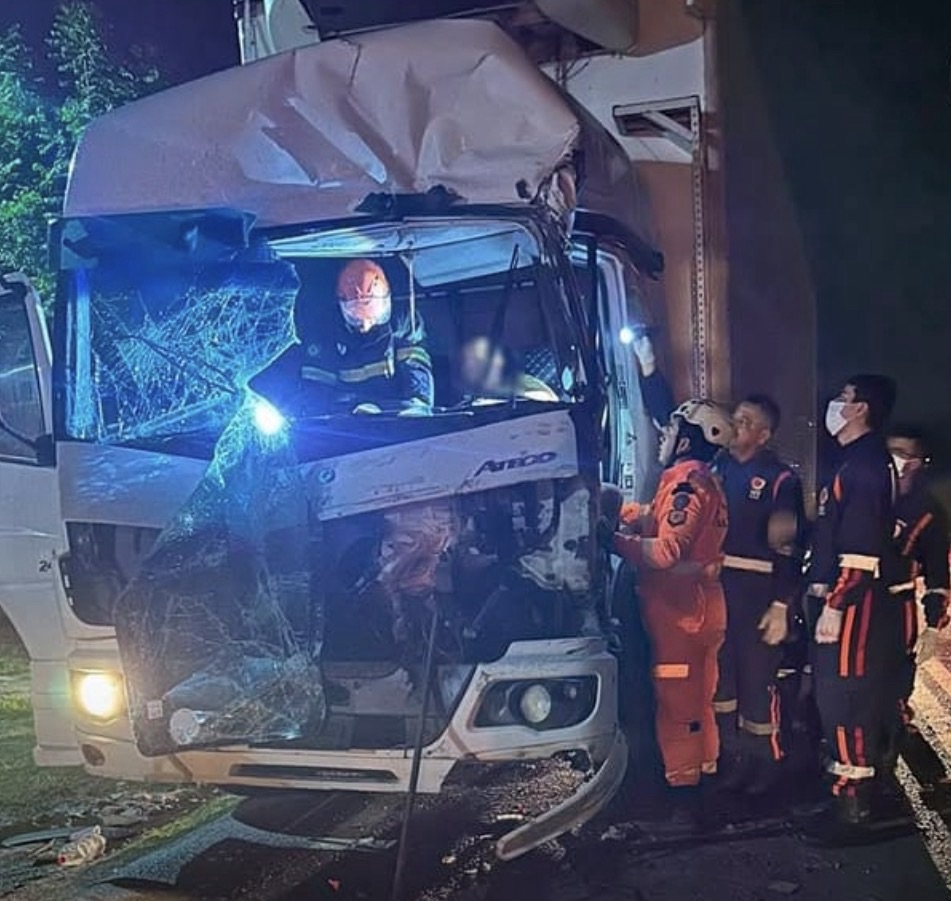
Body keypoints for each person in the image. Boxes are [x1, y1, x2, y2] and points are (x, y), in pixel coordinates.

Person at [598, 399, 733, 790]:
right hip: (694, 607)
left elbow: (666, 551)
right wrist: (626, 514)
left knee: (678, 705)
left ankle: (683, 790)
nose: (664, 435)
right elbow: (660, 520)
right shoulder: (696, 479)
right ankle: (703, 775)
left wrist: (611, 541)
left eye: (672, 429)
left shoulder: (687, 483)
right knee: (695, 703)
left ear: (688, 441)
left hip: (681, 613)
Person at [804, 374, 898, 840]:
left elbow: (861, 550)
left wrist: (836, 603)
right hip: (844, 599)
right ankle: (845, 793)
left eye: (843, 398)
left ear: (861, 409)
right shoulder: (852, 462)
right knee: (835, 698)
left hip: (856, 607)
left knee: (848, 698)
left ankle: (855, 809)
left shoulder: (864, 465)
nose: (835, 404)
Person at [713, 394, 805, 795]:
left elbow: (788, 547)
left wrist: (783, 604)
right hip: (718, 591)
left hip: (759, 593)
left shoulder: (780, 480)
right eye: (735, 419)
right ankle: (731, 756)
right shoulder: (716, 469)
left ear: (764, 435)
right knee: (723, 681)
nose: (736, 426)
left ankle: (766, 762)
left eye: (746, 421)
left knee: (757, 680)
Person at [250, 259, 434, 417]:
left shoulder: (404, 321)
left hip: (398, 412)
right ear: (341, 305)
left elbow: (416, 369)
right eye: (355, 317)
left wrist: (418, 403)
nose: (365, 325)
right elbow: (317, 389)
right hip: (349, 414)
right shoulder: (325, 331)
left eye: (373, 316)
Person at [885, 424, 950, 739]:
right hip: (853, 601)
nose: (893, 460)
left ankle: (889, 752)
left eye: (901, 454)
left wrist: (933, 625)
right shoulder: (865, 494)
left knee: (895, 680)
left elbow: (938, 572)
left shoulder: (927, 511)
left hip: (897, 606)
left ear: (918, 462)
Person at [455, 336, 558, 404]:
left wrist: (493, 403)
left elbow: (547, 400)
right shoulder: (467, 400)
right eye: (466, 361)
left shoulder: (522, 382)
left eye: (477, 361)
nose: (469, 367)